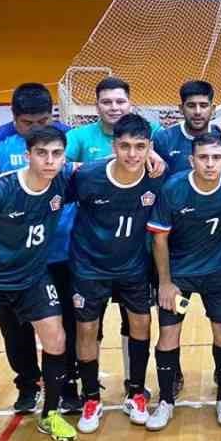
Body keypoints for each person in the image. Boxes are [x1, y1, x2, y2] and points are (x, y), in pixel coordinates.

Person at [0, 126, 78, 441]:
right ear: (28, 155)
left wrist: (149, 155)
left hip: (32, 278)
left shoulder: (63, 181)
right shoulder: (0, 190)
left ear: (64, 157)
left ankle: (50, 414)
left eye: (56, 154)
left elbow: (108, 162)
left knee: (56, 338)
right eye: (42, 153)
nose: (50, 160)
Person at [146, 134, 221, 430]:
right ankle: (166, 402)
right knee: (169, 334)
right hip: (179, 276)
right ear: (191, 160)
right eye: (203, 158)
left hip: (217, 274)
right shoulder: (174, 188)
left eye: (216, 158)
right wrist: (165, 283)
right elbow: (159, 238)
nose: (210, 164)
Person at [63, 76, 169, 398]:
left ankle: (136, 390)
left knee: (140, 324)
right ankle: (90, 394)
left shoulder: (157, 176)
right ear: (113, 147)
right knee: (87, 328)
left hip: (134, 264)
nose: (132, 153)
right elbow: (51, 184)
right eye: (125, 146)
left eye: (140, 147)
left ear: (150, 147)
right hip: (89, 265)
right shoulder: (87, 173)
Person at [152, 80, 221, 174]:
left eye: (203, 106)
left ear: (212, 109)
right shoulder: (163, 139)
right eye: (191, 106)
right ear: (181, 109)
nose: (198, 112)